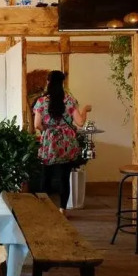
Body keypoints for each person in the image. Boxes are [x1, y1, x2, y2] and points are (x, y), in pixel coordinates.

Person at [33, 70, 92, 215]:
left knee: (46, 176)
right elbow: (80, 122)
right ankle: (62, 210)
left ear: (48, 82)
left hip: (49, 142)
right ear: (62, 83)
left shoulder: (41, 101)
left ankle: (44, 209)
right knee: (64, 177)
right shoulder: (69, 100)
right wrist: (85, 109)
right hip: (67, 142)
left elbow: (37, 125)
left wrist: (48, 131)